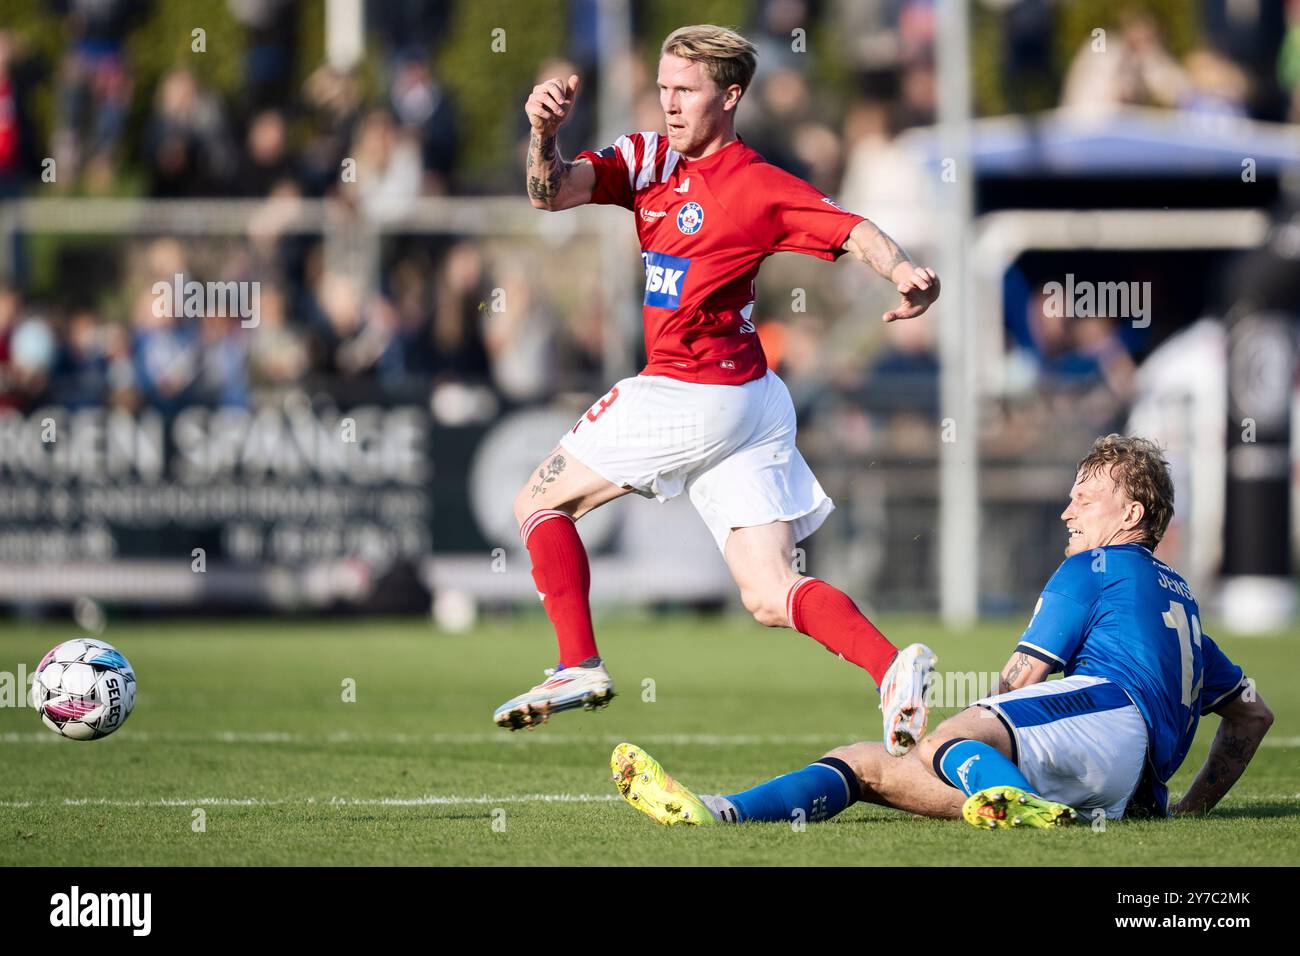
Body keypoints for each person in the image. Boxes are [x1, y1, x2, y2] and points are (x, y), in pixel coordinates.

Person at [497, 24, 941, 759]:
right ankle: (892, 668)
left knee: (536, 503)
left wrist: (902, 272)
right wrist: (543, 133)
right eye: (664, 88)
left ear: (730, 97)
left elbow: (851, 227)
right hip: (753, 401)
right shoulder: (643, 159)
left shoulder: (756, 186)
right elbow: (551, 193)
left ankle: (578, 666)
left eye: (686, 91)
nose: (669, 104)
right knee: (768, 592)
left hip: (691, 391)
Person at [611, 435, 1273, 829]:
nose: (1068, 508)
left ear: (1130, 512)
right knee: (868, 764)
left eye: (1085, 496)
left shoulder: (1094, 567)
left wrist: (958, 742)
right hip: (1124, 791)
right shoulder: (1177, 602)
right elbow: (1250, 714)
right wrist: (1189, 811)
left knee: (952, 736)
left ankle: (1007, 800)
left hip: (1107, 724)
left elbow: (1020, 681)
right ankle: (718, 813)